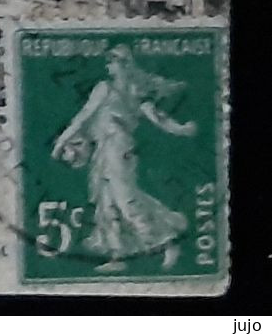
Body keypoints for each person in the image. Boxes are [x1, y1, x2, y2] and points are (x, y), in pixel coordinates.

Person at [51, 44, 196, 272]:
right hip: (107, 149)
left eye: (112, 62)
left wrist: (60, 142)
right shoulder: (125, 89)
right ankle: (118, 256)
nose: (108, 66)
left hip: (118, 149)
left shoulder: (113, 89)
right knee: (107, 203)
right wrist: (181, 129)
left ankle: (168, 242)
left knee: (126, 201)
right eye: (108, 62)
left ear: (123, 64)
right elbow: (159, 119)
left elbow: (84, 117)